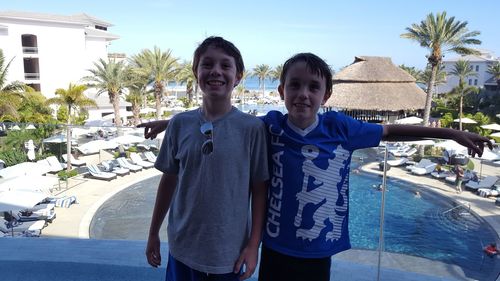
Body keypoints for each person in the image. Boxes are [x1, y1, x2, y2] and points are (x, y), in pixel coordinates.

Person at [139, 53, 492, 281]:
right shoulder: (271, 125)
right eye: (294, 85)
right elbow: (222, 120)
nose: (303, 94)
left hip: (318, 248)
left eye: (313, 87)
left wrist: (451, 133)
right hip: (275, 246)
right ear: (281, 91)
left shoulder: (341, 128)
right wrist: (167, 123)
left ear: (326, 95)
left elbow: (391, 131)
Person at [145, 36, 269, 281]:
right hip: (182, 249)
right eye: (207, 64)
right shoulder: (179, 124)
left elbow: (259, 190)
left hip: (228, 256)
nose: (216, 71)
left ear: (239, 76)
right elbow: (168, 181)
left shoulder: (252, 129)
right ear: (195, 71)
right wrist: (153, 233)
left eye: (225, 66)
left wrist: (253, 246)